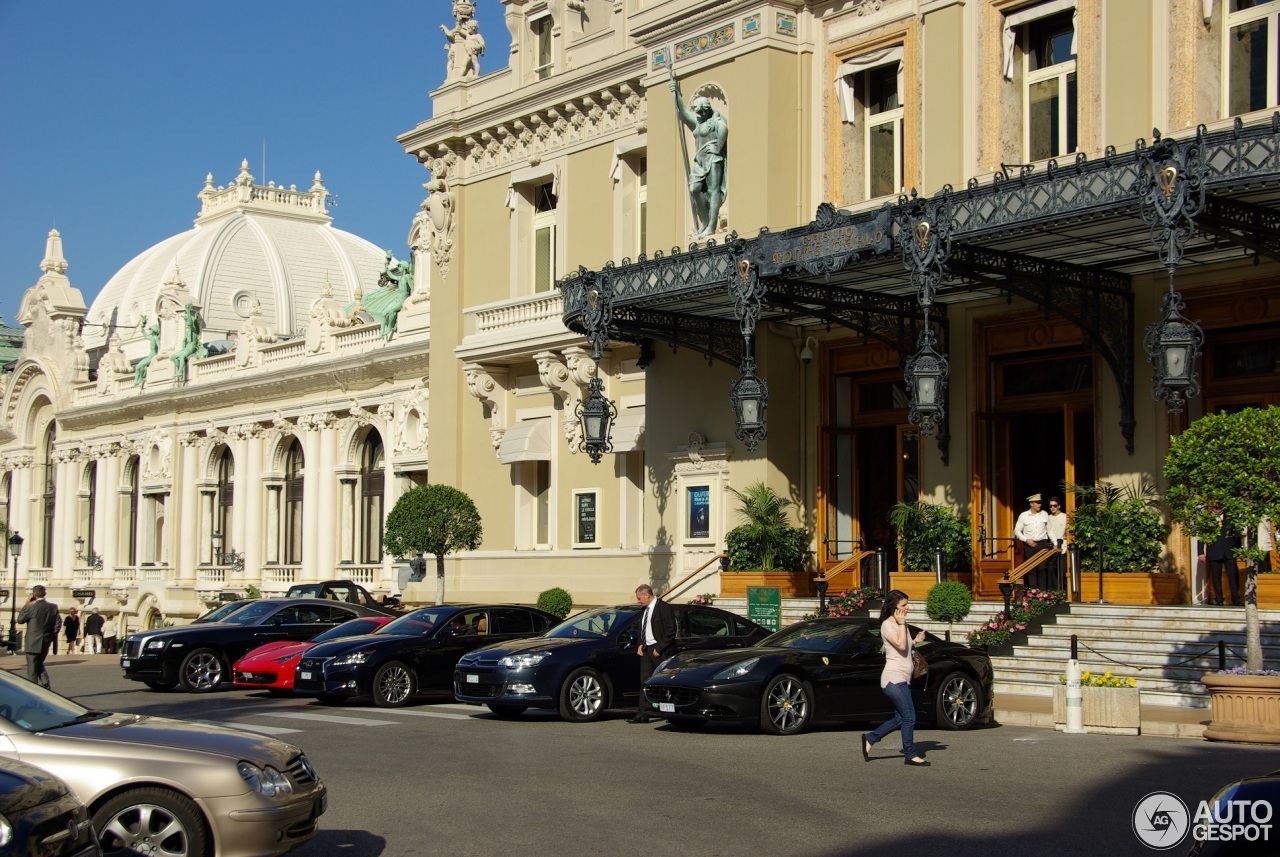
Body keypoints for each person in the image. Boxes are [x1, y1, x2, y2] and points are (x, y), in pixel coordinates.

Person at [861, 589, 929, 766]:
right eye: (903, 605)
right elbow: (898, 645)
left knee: (900, 718)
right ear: (894, 607)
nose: (907, 608)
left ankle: (871, 737)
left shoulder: (901, 624)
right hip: (893, 679)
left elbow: (904, 647)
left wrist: (915, 641)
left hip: (903, 677)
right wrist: (900, 624)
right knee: (909, 717)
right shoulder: (888, 625)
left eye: (907, 604)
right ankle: (910, 754)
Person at [668, 78, 728, 239]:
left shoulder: (716, 121)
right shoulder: (699, 122)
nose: (699, 114)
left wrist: (718, 147)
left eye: (702, 111)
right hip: (699, 161)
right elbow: (685, 114)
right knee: (694, 189)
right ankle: (706, 221)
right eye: (698, 112)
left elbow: (723, 129)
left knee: (713, 190)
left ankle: (711, 226)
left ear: (707, 109)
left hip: (713, 159)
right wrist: (675, 94)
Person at [628, 583, 675, 724]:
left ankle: (671, 712)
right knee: (645, 681)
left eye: (639, 598)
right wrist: (640, 644)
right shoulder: (645, 609)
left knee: (665, 682)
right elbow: (643, 628)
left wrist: (660, 647)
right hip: (647, 650)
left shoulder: (664, 608)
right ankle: (643, 713)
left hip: (660, 651)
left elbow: (671, 630)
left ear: (646, 595)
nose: (638, 601)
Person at [16, 585, 59, 688]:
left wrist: (27, 604)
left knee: (32, 668)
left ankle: (33, 689)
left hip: (32, 641)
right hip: (46, 640)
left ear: (34, 595)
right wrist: (50, 635)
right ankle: (45, 684)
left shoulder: (31, 607)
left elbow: (20, 620)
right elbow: (57, 624)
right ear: (45, 594)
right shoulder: (53, 607)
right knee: (39, 663)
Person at [1200, 513, 1241, 606]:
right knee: (1216, 577)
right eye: (1215, 507)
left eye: (1219, 507)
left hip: (1229, 552)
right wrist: (1200, 552)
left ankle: (1236, 599)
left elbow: (1237, 534)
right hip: (1214, 552)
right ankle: (1219, 599)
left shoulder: (1231, 518)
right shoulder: (1207, 519)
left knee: (1233, 576)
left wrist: (1238, 549)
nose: (1217, 509)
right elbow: (1202, 536)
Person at [1013, 493, 1052, 588]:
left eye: (1040, 502)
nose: (1040, 505)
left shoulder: (1044, 514)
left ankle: (1042, 592)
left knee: (1042, 568)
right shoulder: (1024, 515)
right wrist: (1026, 540)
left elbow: (1050, 530)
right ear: (1031, 504)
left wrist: (1055, 543)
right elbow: (1017, 530)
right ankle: (1033, 592)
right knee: (1031, 569)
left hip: (1042, 544)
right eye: (1037, 503)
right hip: (1029, 546)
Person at [1045, 496, 1069, 590]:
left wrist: (1066, 546)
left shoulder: (1064, 516)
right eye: (1051, 506)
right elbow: (1049, 531)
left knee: (1062, 570)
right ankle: (1055, 591)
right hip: (1052, 547)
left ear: (1059, 506)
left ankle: (1063, 590)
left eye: (1055, 506)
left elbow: (1067, 532)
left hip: (1063, 546)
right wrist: (1054, 543)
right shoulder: (1048, 518)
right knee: (1052, 570)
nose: (1052, 508)